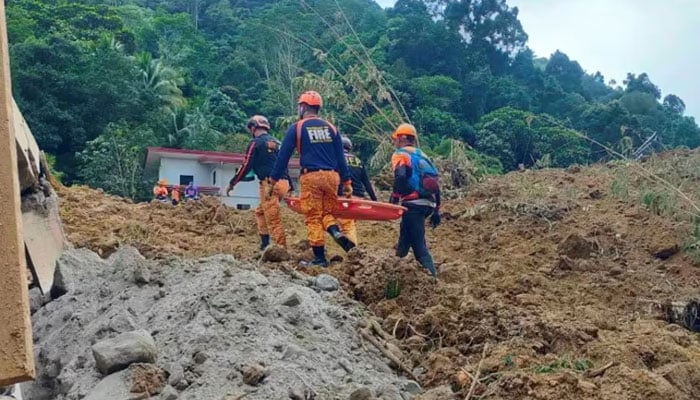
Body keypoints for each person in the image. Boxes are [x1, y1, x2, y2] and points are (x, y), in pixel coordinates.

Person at [269, 90, 354, 267]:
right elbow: (341, 157)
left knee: (312, 216)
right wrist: (347, 183)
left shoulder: (297, 128)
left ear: (303, 107)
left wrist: (273, 180)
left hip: (311, 176)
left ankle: (319, 259)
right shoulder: (331, 128)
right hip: (332, 176)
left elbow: (283, 156)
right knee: (326, 212)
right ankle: (336, 232)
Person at [226, 115, 291, 250]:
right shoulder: (278, 143)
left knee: (273, 219)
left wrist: (233, 183)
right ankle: (264, 244)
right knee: (260, 212)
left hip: (269, 185)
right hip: (284, 183)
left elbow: (246, 165)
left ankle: (281, 250)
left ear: (253, 128)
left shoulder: (255, 143)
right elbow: (284, 165)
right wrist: (291, 185)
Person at [389, 123, 441, 278]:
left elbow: (400, 176)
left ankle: (433, 279)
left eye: (396, 138)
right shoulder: (423, 155)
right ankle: (394, 272)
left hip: (413, 204)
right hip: (428, 204)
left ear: (403, 138)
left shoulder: (400, 154)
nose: (395, 142)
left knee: (419, 245)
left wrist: (395, 198)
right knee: (405, 238)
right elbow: (435, 183)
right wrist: (437, 209)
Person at [336, 135, 377, 245]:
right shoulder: (358, 161)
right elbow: (367, 183)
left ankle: (353, 251)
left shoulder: (336, 159)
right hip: (358, 198)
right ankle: (347, 247)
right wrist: (374, 200)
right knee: (348, 223)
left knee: (345, 225)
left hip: (344, 197)